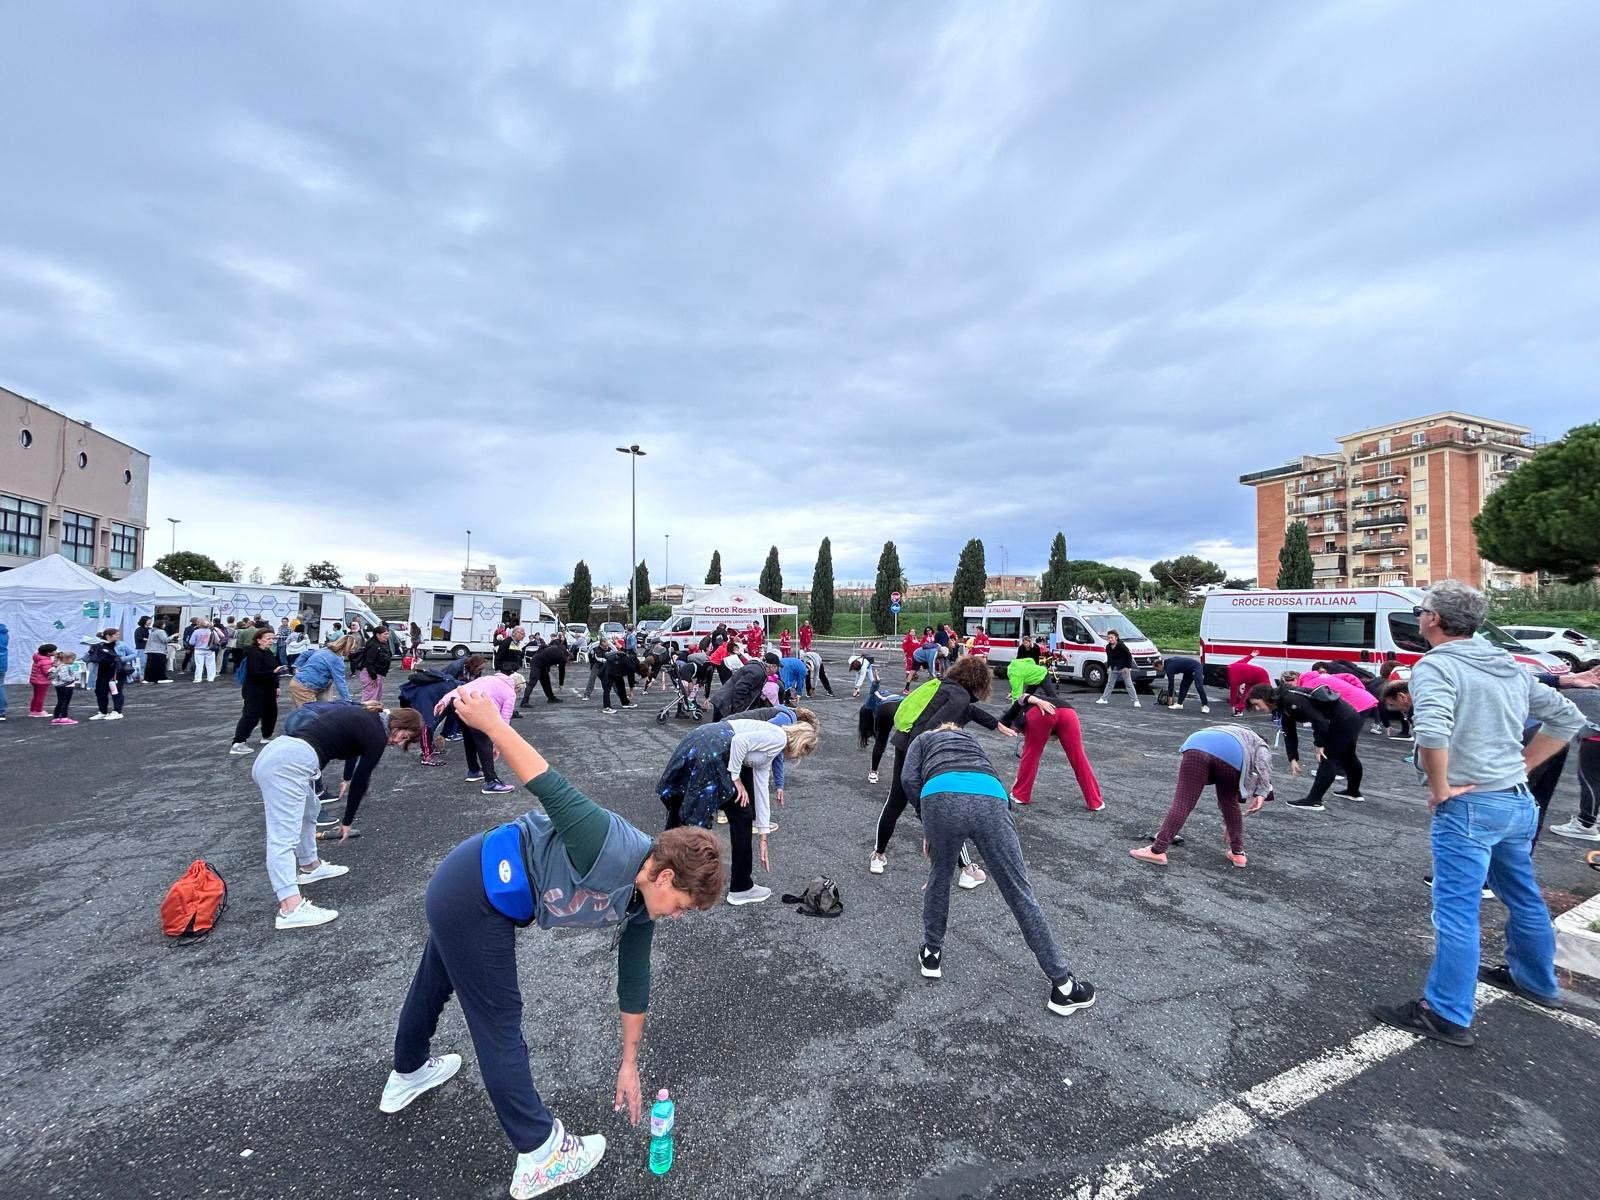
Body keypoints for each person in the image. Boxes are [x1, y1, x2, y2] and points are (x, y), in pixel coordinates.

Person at [380, 693, 725, 1199]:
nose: (676, 915)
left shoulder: (640, 902)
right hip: (476, 892)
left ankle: (407, 1071)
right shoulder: (609, 841)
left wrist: (629, 1062)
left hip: (468, 891)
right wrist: (490, 721)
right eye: (681, 905)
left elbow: (634, 980)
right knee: (499, 1022)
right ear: (666, 875)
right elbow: (546, 781)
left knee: (437, 980)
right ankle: (541, 1152)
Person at [1372, 581, 1587, 1047]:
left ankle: (1446, 1011)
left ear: (1433, 620)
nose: (1420, 615)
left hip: (1470, 806)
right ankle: (1537, 982)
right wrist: (1523, 768)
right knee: (1524, 895)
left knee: (1457, 910)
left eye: (1423, 609)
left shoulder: (1435, 667)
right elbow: (1568, 719)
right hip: (1515, 801)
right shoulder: (1507, 663)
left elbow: (1431, 731)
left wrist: (1440, 787)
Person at [902, 723, 1098, 1017]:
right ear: (955, 729)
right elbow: (988, 773)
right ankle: (1063, 986)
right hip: (990, 797)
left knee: (939, 877)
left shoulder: (923, 738)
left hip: (939, 794)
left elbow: (908, 778)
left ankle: (931, 954)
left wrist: (926, 819)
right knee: (1019, 892)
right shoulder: (969, 738)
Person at [251, 705, 424, 930]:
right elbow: (363, 779)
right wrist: (347, 822)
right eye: (405, 736)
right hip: (288, 764)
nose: (399, 742)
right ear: (400, 725)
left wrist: (346, 778)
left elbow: (353, 750)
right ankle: (290, 907)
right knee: (283, 837)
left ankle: (310, 866)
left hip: (281, 752)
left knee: (310, 809)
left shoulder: (370, 718)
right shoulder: (376, 734)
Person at [873, 654, 1012, 883]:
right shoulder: (959, 698)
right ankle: (967, 870)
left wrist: (995, 724)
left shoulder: (942, 686)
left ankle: (878, 856)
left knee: (896, 801)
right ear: (978, 681)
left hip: (904, 744)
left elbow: (968, 711)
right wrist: (925, 759)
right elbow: (932, 727)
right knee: (944, 807)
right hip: (924, 752)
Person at [658, 717, 818, 905]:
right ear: (802, 746)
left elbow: (761, 788)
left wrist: (763, 836)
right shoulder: (779, 738)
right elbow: (739, 742)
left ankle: (657, 865)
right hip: (713, 749)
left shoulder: (772, 742)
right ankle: (741, 887)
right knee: (742, 814)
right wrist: (736, 778)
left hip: (699, 740)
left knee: (683, 806)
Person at [1130, 726, 1276, 867]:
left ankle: (1157, 850)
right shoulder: (1257, 744)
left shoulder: (1237, 732)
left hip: (1198, 746)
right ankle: (1238, 853)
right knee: (1229, 802)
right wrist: (1261, 793)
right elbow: (1263, 764)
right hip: (1231, 761)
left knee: (1184, 801)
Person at [1248, 683, 1364, 811]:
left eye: (1257, 704)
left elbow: (1319, 721)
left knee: (1328, 758)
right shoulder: (1283, 703)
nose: (1257, 709)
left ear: (1265, 698)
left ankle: (1314, 800)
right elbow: (1289, 732)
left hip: (1343, 721)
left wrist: (1320, 744)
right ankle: (1353, 793)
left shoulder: (1291, 699)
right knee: (1348, 756)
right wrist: (1293, 758)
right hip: (1349, 718)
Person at [435, 670, 521, 794]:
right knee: (484, 741)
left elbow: (461, 688)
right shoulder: (510, 693)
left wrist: (443, 701)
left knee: (469, 736)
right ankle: (491, 782)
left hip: (457, 702)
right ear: (517, 686)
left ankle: (474, 771)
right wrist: (498, 745)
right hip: (475, 708)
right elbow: (504, 721)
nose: (516, 693)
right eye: (518, 691)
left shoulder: (487, 678)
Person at [231, 627, 290, 754]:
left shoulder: (267, 652)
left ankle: (266, 736)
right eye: (268, 639)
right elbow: (254, 673)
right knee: (251, 714)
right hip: (255, 689)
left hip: (268, 688)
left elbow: (273, 670)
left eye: (273, 639)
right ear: (259, 640)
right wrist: (272, 672)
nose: (271, 641)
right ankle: (238, 742)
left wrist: (276, 686)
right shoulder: (254, 653)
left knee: (271, 712)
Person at [84, 629, 131, 721]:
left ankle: (117, 711)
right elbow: (89, 656)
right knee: (100, 691)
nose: (118, 636)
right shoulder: (99, 645)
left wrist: (121, 659)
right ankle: (102, 711)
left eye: (118, 634)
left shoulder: (119, 645)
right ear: (108, 636)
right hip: (102, 672)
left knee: (116, 691)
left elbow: (131, 654)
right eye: (116, 635)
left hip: (116, 672)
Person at [289, 643, 353, 707]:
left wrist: (297, 666)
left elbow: (305, 654)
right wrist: (348, 701)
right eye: (353, 650)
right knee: (310, 714)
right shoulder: (336, 660)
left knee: (325, 711)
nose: (353, 653)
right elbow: (340, 682)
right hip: (304, 685)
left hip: (318, 685)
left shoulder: (325, 650)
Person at [709, 654, 769, 721]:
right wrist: (738, 711)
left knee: (717, 726)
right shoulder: (758, 672)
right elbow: (740, 689)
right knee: (720, 728)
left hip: (723, 701)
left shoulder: (756, 669)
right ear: (773, 666)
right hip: (726, 704)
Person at [520, 639, 570, 706]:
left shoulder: (561, 648)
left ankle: (551, 697)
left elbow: (544, 647)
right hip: (536, 663)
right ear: (567, 657)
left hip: (540, 661)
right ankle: (524, 701)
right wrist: (561, 684)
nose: (568, 662)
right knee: (532, 682)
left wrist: (547, 665)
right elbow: (562, 672)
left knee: (546, 681)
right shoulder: (563, 658)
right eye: (568, 661)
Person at [1096, 630, 1139, 707]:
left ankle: (1136, 701)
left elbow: (1128, 656)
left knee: (1129, 684)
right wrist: (1108, 667)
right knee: (1109, 684)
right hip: (1113, 667)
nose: (1110, 639)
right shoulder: (1108, 647)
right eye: (1108, 638)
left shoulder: (1121, 645)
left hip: (1123, 668)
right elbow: (1109, 657)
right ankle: (1104, 699)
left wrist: (1127, 667)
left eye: (1112, 638)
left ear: (1116, 637)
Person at [1227, 650, 1271, 715]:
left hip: (1260, 675)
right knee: (1246, 694)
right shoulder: (1230, 666)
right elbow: (1242, 661)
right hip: (1252, 677)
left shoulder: (1233, 678)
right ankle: (1239, 709)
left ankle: (1275, 708)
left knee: (1268, 692)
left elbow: (1233, 692)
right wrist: (1251, 656)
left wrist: (1232, 705)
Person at [357, 626, 394, 703]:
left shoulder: (382, 644)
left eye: (387, 634)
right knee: (370, 698)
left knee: (376, 697)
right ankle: (365, 713)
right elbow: (369, 662)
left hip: (378, 673)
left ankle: (373, 713)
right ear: (378, 635)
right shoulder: (374, 645)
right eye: (385, 634)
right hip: (371, 674)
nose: (387, 636)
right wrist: (373, 677)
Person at [48, 649, 81, 724]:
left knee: (60, 702)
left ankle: (56, 717)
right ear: (68, 659)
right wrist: (74, 678)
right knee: (65, 702)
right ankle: (64, 717)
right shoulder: (64, 667)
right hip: (66, 687)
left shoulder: (59, 666)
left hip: (60, 686)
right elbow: (64, 677)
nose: (73, 661)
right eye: (73, 659)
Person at [28, 642, 55, 717]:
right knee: (40, 697)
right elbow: (47, 672)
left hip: (35, 680)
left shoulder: (38, 657)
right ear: (49, 653)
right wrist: (55, 667)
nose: (56, 652)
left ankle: (33, 710)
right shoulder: (46, 661)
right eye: (54, 651)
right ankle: (38, 711)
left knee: (36, 696)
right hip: (42, 682)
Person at [189, 618, 219, 683]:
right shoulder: (211, 631)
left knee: (199, 665)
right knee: (210, 664)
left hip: (198, 650)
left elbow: (191, 642)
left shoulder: (196, 631)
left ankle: (198, 678)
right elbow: (217, 640)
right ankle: (210, 678)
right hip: (210, 649)